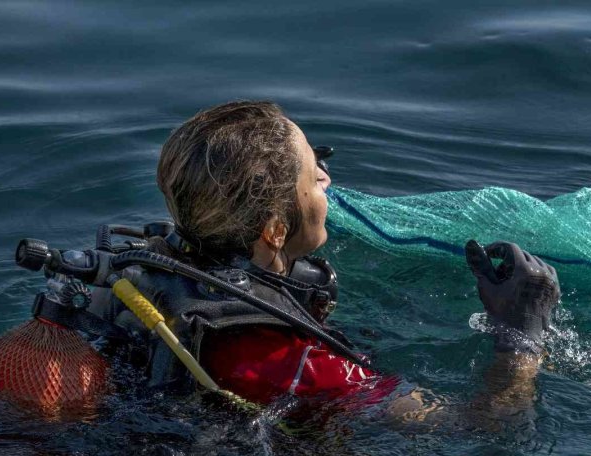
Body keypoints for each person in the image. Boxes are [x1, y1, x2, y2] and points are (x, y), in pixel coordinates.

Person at [104, 100, 561, 425]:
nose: (326, 176)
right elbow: (485, 425)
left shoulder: (151, 271)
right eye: (311, 172)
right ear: (274, 231)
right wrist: (521, 336)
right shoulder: (297, 363)